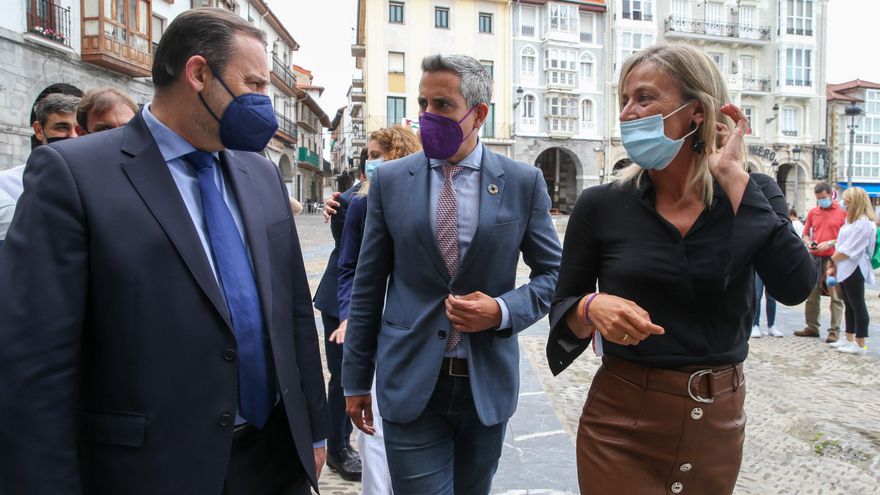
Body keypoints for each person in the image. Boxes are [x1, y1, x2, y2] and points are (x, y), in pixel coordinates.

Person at [0, 8, 329, 495]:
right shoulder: (72, 175)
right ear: (198, 73)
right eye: (255, 84)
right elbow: (34, 362)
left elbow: (294, 313)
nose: (264, 102)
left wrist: (313, 430)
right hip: (151, 469)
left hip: (272, 460)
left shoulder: (259, 174)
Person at [546, 44, 815, 494]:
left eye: (645, 98)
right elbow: (563, 308)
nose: (629, 112)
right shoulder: (601, 205)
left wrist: (734, 179)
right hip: (619, 421)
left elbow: (796, 286)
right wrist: (592, 307)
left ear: (698, 112)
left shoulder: (752, 194)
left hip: (716, 422)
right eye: (625, 100)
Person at [342, 54, 561, 495]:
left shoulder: (522, 181)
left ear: (478, 114)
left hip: (485, 383)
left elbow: (554, 275)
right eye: (423, 103)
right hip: (410, 378)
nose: (427, 116)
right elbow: (368, 286)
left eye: (442, 105)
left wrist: (501, 310)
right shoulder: (390, 180)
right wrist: (354, 379)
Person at [334, 126, 422, 494]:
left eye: (376, 155)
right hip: (373, 326)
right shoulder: (359, 203)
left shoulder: (424, 199)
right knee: (372, 427)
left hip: (415, 326)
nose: (369, 163)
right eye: (367, 156)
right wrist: (349, 317)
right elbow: (349, 266)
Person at [312, 153, 367, 482]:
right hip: (340, 301)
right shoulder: (346, 201)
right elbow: (348, 250)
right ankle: (337, 448)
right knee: (344, 377)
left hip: (373, 302)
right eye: (371, 157)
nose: (377, 163)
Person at [0, 93, 81, 201]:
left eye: (79, 129)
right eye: (62, 127)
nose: (74, 136)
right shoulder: (5, 184)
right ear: (38, 130)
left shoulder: (98, 179)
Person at [796, 182, 847, 342]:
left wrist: (830, 243)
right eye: (818, 199)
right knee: (812, 294)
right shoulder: (813, 212)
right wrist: (809, 242)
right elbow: (805, 234)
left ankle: (834, 330)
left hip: (833, 259)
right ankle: (812, 326)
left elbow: (845, 237)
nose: (821, 202)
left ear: (831, 195)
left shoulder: (842, 212)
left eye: (823, 198)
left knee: (835, 296)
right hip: (815, 256)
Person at [827, 187, 875, 355]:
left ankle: (860, 343)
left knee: (857, 304)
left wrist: (832, 259)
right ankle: (849, 337)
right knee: (849, 304)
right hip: (845, 268)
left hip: (854, 268)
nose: (843, 202)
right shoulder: (851, 221)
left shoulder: (863, 224)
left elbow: (848, 250)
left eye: (846, 200)